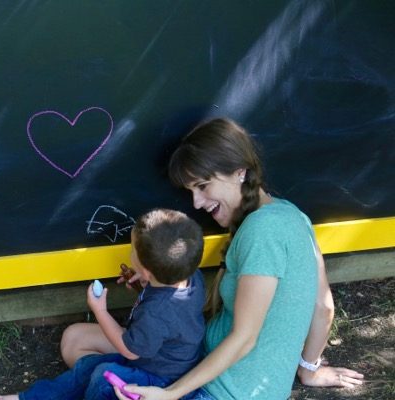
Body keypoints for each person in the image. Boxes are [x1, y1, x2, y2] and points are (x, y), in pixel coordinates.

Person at [62, 118, 364, 400]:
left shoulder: (262, 231)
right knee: (75, 340)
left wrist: (172, 393)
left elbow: (244, 339)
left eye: (203, 186)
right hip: (201, 356)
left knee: (100, 375)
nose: (196, 202)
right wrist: (308, 370)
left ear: (239, 171)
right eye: (191, 190)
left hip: (219, 389)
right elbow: (323, 307)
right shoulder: (292, 215)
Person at [0, 208, 207, 400]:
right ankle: (29, 398)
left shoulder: (156, 313)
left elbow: (129, 350)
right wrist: (145, 283)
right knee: (87, 367)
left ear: (148, 270)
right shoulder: (190, 275)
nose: (130, 251)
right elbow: (169, 310)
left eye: (133, 249)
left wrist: (100, 311)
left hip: (158, 380)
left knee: (102, 378)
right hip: (159, 361)